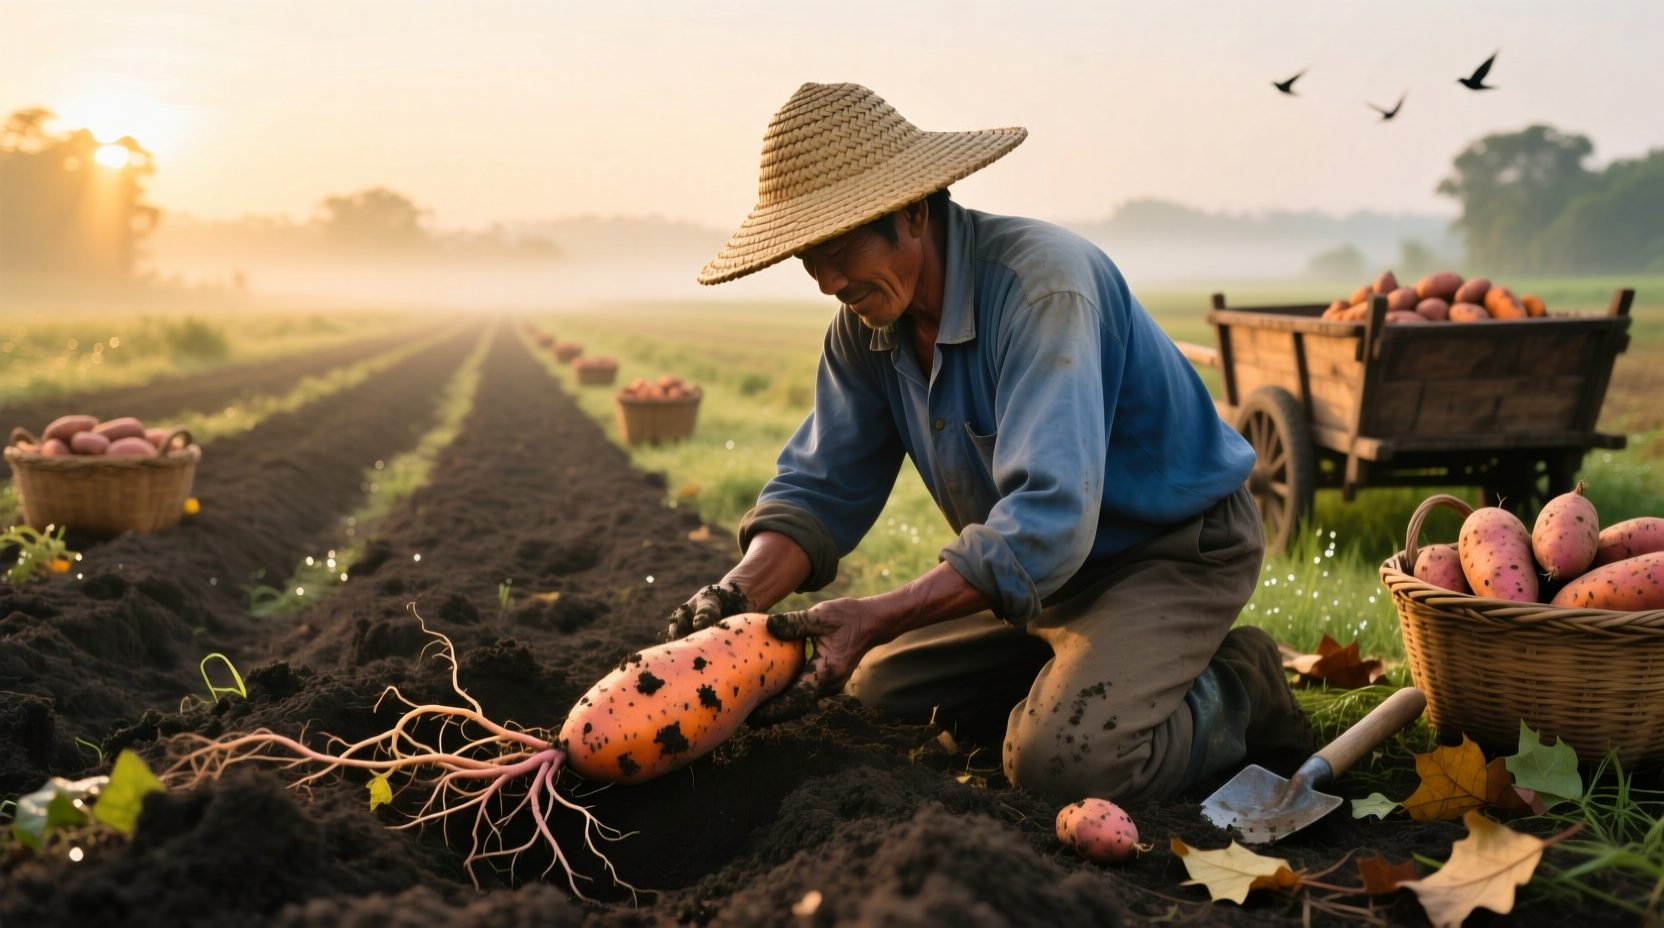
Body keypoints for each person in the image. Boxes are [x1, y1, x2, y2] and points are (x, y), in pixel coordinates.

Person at [670, 82, 1312, 802]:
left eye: (839, 247)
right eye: (806, 258)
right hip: (1042, 584)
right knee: (874, 691)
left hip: (1165, 556)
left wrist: (879, 613)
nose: (828, 282)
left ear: (913, 211)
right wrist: (732, 595)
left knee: (1062, 765)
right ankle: (1080, 670)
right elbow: (821, 489)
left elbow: (1048, 516)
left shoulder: (1042, 290)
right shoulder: (866, 331)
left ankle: (1241, 686)